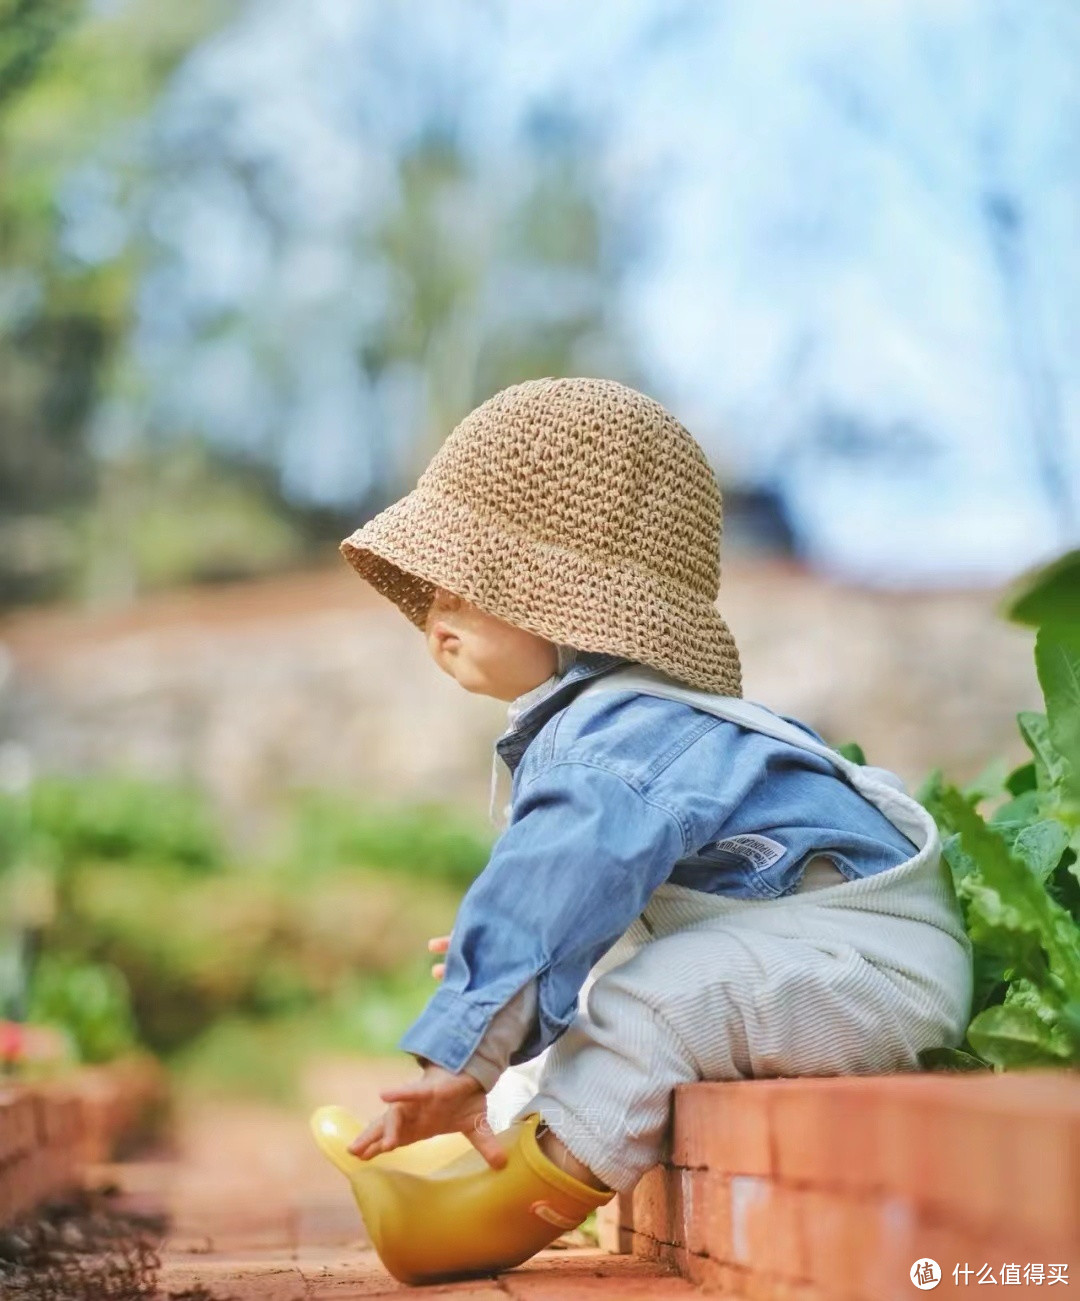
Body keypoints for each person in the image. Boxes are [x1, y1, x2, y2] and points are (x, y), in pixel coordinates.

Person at [310, 375, 973, 1286]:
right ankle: (494, 1147)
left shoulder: (613, 742)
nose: (436, 613)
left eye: (467, 585)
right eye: (433, 587)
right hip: (807, 951)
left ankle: (500, 1208)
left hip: (871, 973)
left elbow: (553, 881)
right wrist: (520, 961)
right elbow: (596, 892)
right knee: (603, 996)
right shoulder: (621, 723)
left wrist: (460, 1047)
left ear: (565, 604)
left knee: (653, 1002)